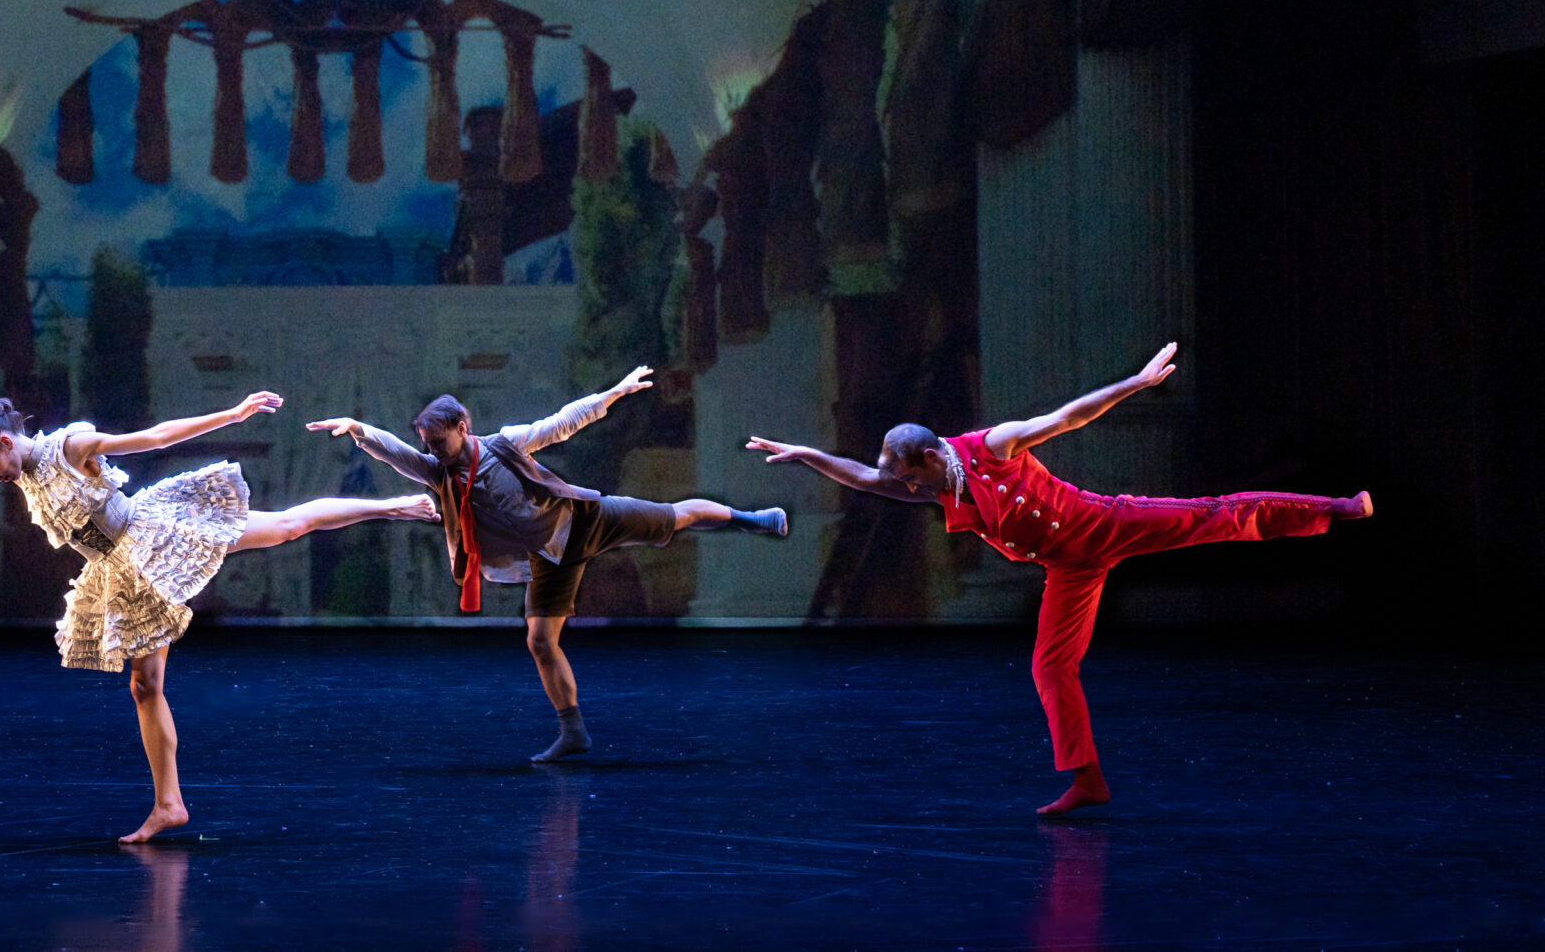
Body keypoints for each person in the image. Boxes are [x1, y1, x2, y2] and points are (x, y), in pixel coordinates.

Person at [745, 341, 1373, 816]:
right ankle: (1087, 780)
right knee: (1051, 666)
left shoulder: (994, 446)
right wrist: (806, 455)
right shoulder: (935, 487)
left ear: (931, 456)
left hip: (1103, 524)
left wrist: (1137, 383)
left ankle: (1336, 509)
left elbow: (1069, 417)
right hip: (1068, 566)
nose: (906, 488)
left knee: (1211, 517)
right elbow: (864, 478)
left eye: (910, 475)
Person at [0, 348, 436, 842]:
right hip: (118, 568)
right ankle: (169, 804)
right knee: (144, 684)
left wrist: (231, 414)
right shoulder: (13, 462)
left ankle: (395, 506)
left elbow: (153, 437)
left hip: (153, 538)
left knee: (286, 526)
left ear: (6, 441)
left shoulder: (70, 448)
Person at [307, 365, 788, 763]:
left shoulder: (503, 444)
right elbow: (396, 454)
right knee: (539, 641)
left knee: (673, 517)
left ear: (462, 427)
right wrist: (359, 430)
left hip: (582, 521)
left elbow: (560, 423)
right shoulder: (439, 472)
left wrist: (613, 393)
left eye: (439, 441)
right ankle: (573, 731)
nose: (432, 450)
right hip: (547, 560)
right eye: (427, 444)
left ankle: (749, 519)